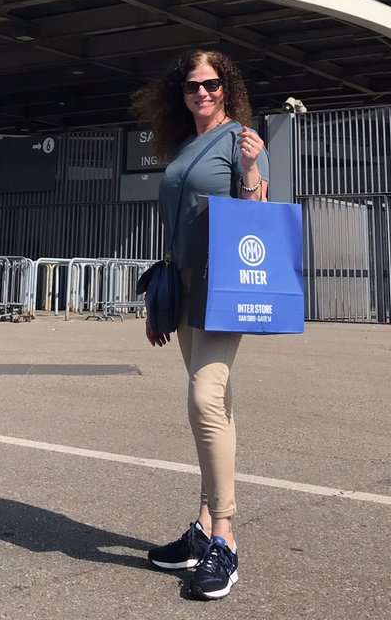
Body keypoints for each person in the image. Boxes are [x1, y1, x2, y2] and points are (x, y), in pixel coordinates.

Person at [131, 49, 269, 600]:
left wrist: (254, 169)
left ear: (227, 88)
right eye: (192, 87)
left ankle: (226, 542)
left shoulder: (240, 140)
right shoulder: (184, 145)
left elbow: (257, 215)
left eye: (211, 85)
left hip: (221, 284)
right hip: (182, 285)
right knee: (217, 406)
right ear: (180, 94)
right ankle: (203, 528)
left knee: (205, 399)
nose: (202, 94)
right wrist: (159, 298)